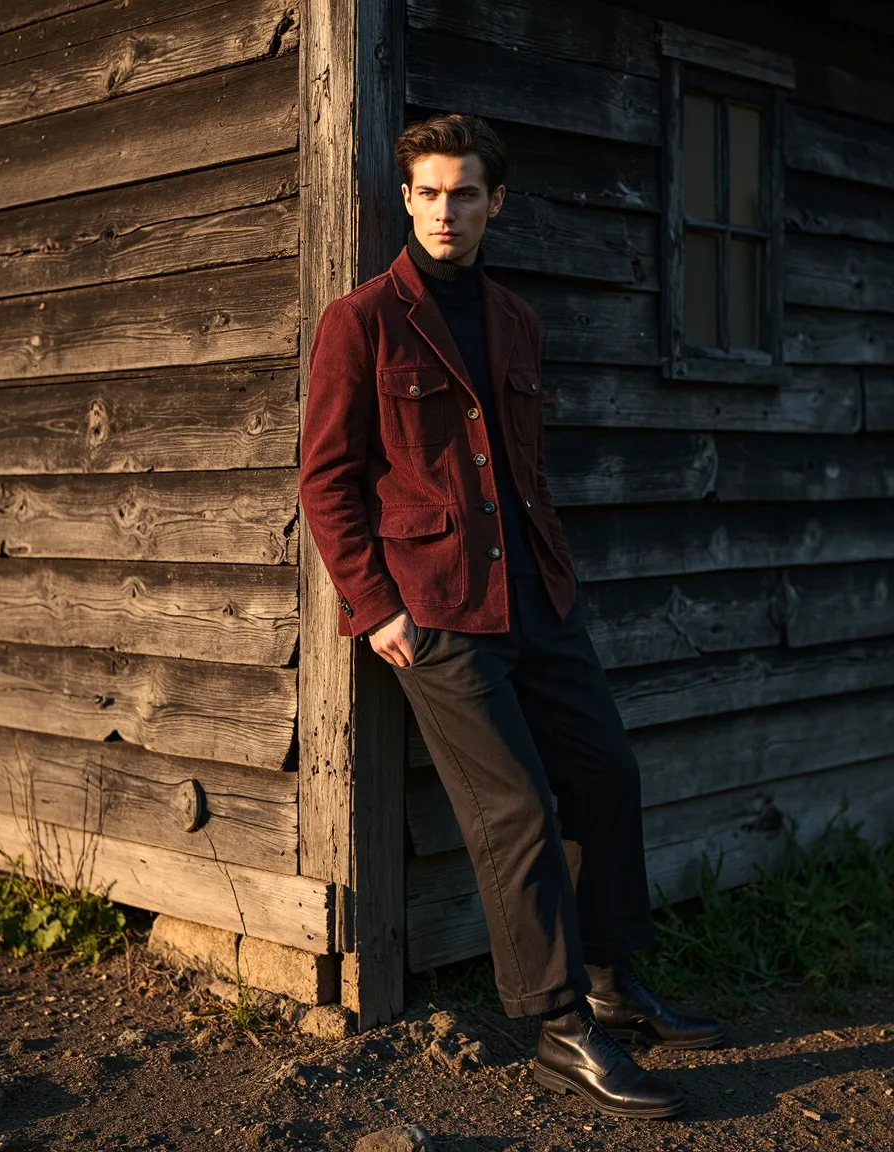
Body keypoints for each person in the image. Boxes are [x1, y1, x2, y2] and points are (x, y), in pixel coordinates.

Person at [298, 112, 724, 1120]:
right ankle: (558, 1028)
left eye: (466, 193)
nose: (447, 211)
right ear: (404, 199)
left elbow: (518, 468)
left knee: (605, 775)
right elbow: (325, 480)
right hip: (436, 611)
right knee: (517, 810)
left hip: (538, 595)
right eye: (430, 193)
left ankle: (613, 983)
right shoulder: (358, 321)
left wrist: (553, 579)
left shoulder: (516, 320)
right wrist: (376, 609)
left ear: (497, 202)